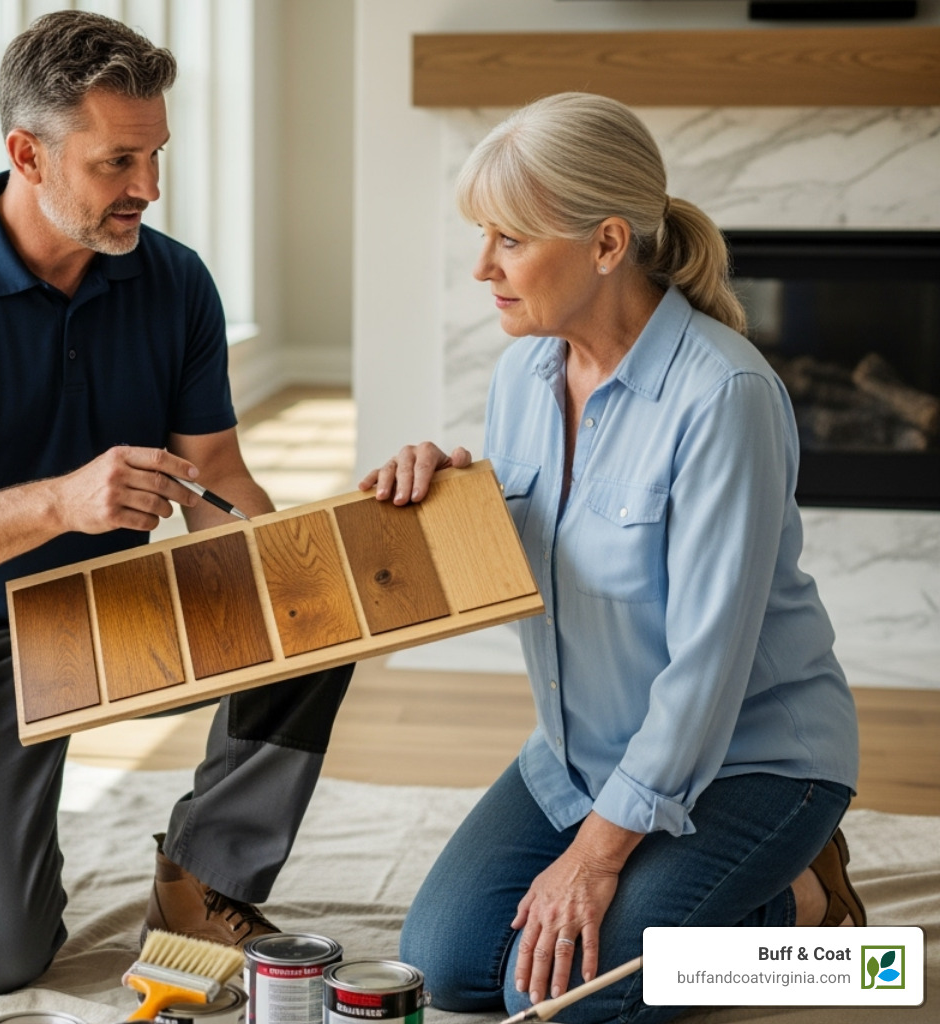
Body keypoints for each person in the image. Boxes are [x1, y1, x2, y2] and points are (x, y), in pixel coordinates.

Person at [0, 11, 350, 996]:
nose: (148, 187)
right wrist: (61, 503)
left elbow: (216, 473)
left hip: (123, 602)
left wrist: (286, 568)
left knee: (322, 605)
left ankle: (205, 879)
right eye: (118, 162)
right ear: (27, 154)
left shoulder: (176, 282)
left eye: (156, 156)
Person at [362, 93, 862, 1024]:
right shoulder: (524, 373)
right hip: (584, 750)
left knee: (555, 1001)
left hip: (752, 759)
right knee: (449, 965)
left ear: (606, 244)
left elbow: (707, 670)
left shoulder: (725, 395)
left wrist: (595, 857)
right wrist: (438, 500)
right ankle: (732, 893)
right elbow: (545, 558)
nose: (482, 266)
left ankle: (803, 908)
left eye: (510, 239)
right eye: (481, 235)